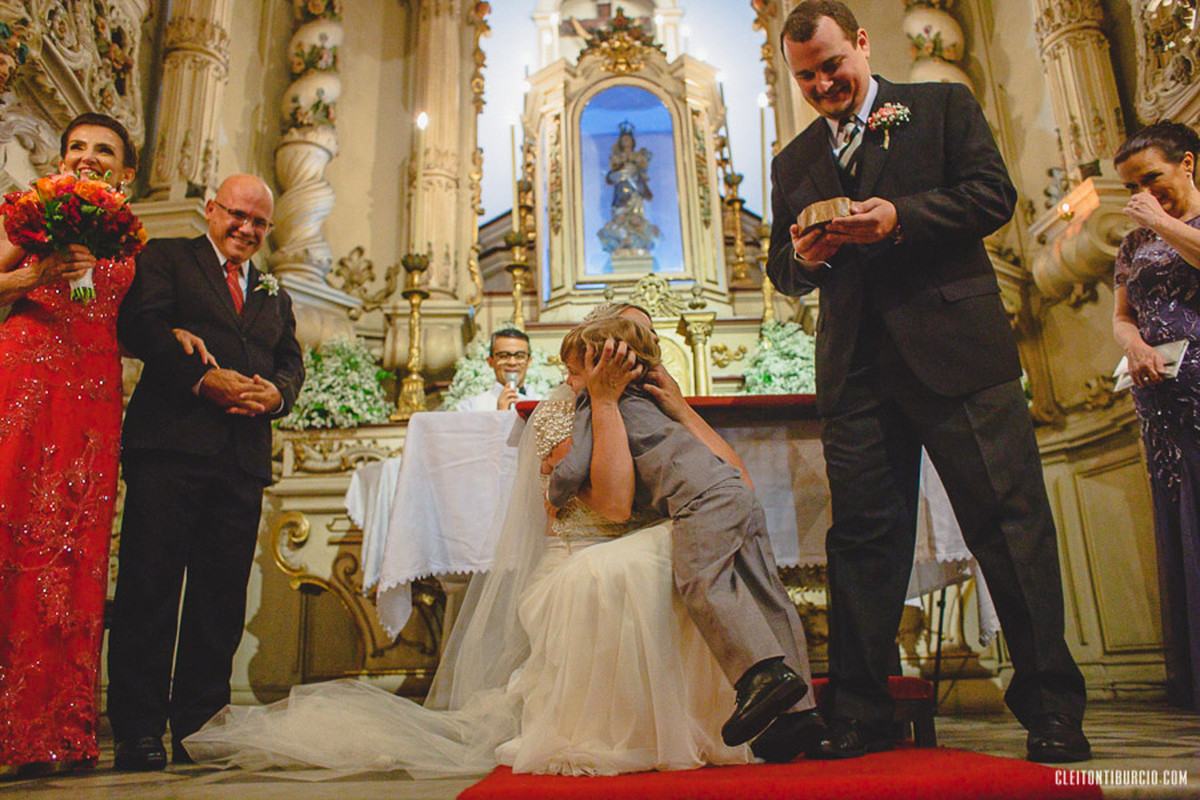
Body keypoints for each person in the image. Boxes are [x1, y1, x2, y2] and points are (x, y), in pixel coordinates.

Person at [181, 336, 757, 776]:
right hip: (580, 555)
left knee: (701, 541)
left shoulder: (648, 409)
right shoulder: (564, 412)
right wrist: (603, 403)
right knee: (664, 556)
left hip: (625, 547)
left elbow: (736, 484)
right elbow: (612, 505)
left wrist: (680, 410)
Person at [766, 0, 1088, 762]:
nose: (822, 85)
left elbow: (992, 195)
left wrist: (899, 218)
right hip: (856, 371)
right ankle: (862, 714)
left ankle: (1051, 708)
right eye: (806, 77)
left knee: (1009, 528)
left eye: (832, 66)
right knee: (862, 544)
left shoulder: (941, 106)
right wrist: (804, 257)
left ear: (861, 44)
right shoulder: (793, 162)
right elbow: (783, 269)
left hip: (959, 355)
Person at [550, 317, 821, 756]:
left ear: (600, 366)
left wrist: (555, 486)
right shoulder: (652, 398)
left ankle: (759, 675)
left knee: (700, 579)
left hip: (701, 500)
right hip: (734, 491)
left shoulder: (593, 405)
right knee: (766, 593)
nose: (568, 381)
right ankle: (800, 715)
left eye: (574, 371)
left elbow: (576, 466)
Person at [107, 174, 305, 771]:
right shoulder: (168, 257)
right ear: (212, 209)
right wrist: (199, 378)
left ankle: (201, 728)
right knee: (150, 589)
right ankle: (138, 730)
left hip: (241, 459)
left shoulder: (273, 291)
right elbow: (140, 324)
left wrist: (278, 394)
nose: (246, 228)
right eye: (237, 215)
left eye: (259, 222)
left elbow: (291, 360)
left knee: (219, 601)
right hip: (170, 448)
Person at [0, 113, 139, 776]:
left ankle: (54, 730)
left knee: (71, 550)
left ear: (126, 170)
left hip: (91, 399)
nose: (88, 157)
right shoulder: (29, 217)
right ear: (60, 160)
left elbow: (119, 314)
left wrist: (175, 337)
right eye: (77, 147)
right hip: (26, 384)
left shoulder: (128, 239)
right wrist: (36, 274)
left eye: (104, 150)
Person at [1112, 121, 1200, 711]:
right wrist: (1135, 345)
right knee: (1180, 519)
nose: (1142, 194)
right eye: (1131, 187)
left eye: (1152, 178)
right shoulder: (1131, 244)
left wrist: (1162, 222)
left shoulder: (1169, 225)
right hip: (1159, 397)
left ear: (1187, 163)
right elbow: (1122, 314)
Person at [457, 327, 543, 411]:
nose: (512, 362)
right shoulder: (471, 407)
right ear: (490, 361)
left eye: (520, 356)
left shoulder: (543, 404)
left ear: (529, 361)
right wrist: (500, 415)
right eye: (503, 356)